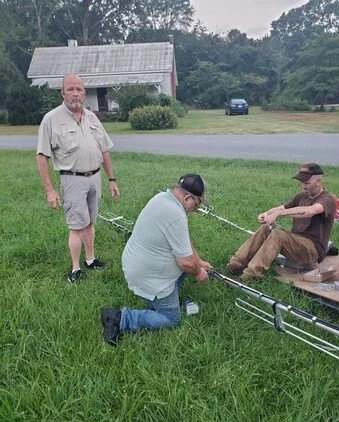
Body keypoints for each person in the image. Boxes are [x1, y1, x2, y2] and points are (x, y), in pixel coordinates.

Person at [101, 174, 212, 346]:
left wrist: (199, 261)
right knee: (172, 319)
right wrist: (198, 271)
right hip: (146, 276)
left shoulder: (163, 198)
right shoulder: (176, 215)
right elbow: (186, 262)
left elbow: (184, 242)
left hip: (136, 264)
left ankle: (163, 302)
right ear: (188, 198)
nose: (196, 210)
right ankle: (122, 318)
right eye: (196, 204)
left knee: (188, 263)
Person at [36, 73, 120, 283]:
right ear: (62, 92)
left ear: (84, 93)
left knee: (90, 223)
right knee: (76, 226)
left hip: (95, 177)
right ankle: (75, 269)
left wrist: (112, 179)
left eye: (79, 89)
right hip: (72, 179)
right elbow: (42, 156)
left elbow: (104, 150)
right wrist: (50, 190)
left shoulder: (91, 117)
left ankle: (90, 260)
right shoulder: (51, 119)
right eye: (70, 89)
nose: (75, 94)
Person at [227, 163, 337, 280]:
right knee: (266, 227)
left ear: (318, 181)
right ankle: (234, 267)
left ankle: (250, 276)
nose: (303, 186)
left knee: (279, 234)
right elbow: (282, 208)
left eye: (307, 183)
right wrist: (267, 214)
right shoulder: (302, 196)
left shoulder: (328, 198)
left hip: (313, 250)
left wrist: (279, 214)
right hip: (297, 242)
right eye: (302, 183)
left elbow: (311, 211)